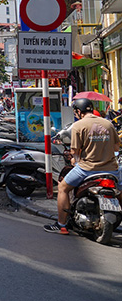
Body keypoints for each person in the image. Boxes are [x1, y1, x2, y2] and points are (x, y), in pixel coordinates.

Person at [44, 98, 122, 234]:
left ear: (79, 112)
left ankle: (61, 224)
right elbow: (116, 147)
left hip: (87, 170)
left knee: (62, 188)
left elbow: (75, 151)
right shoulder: (108, 124)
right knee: (120, 193)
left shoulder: (78, 126)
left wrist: (75, 160)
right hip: (112, 170)